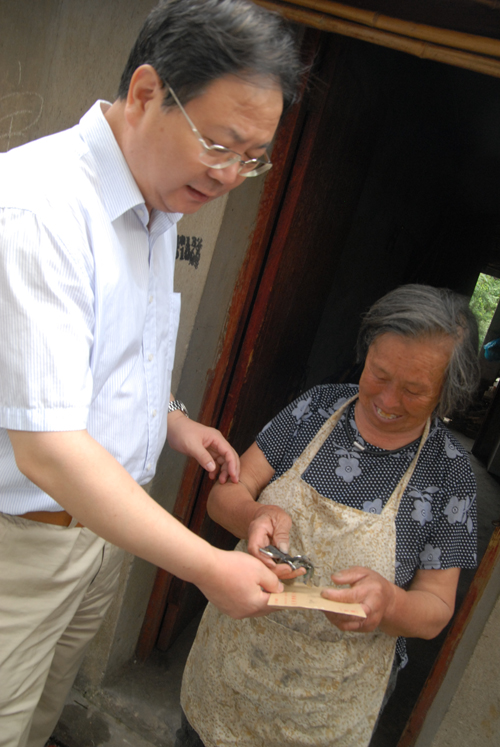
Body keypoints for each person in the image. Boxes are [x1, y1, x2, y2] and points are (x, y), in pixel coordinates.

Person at [0, 2, 303, 745]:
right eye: (221, 144)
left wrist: (172, 419)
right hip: (20, 541)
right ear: (144, 93)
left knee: (41, 714)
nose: (232, 174)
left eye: (254, 156)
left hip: (96, 536)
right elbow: (47, 446)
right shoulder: (37, 209)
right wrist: (205, 565)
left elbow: (109, 354)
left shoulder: (155, 202)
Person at [178, 284, 480, 747]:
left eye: (415, 391)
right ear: (367, 352)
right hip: (234, 664)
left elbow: (436, 609)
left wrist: (390, 606)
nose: (389, 400)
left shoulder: (450, 473)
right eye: (379, 374)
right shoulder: (316, 408)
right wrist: (254, 516)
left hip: (327, 709)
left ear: (446, 392)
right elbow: (224, 496)